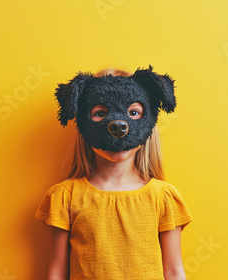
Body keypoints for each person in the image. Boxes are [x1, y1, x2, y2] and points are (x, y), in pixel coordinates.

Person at [35, 66, 193, 280]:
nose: (118, 125)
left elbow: (173, 271)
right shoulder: (65, 197)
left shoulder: (163, 197)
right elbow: (57, 273)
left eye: (134, 113)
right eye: (100, 113)